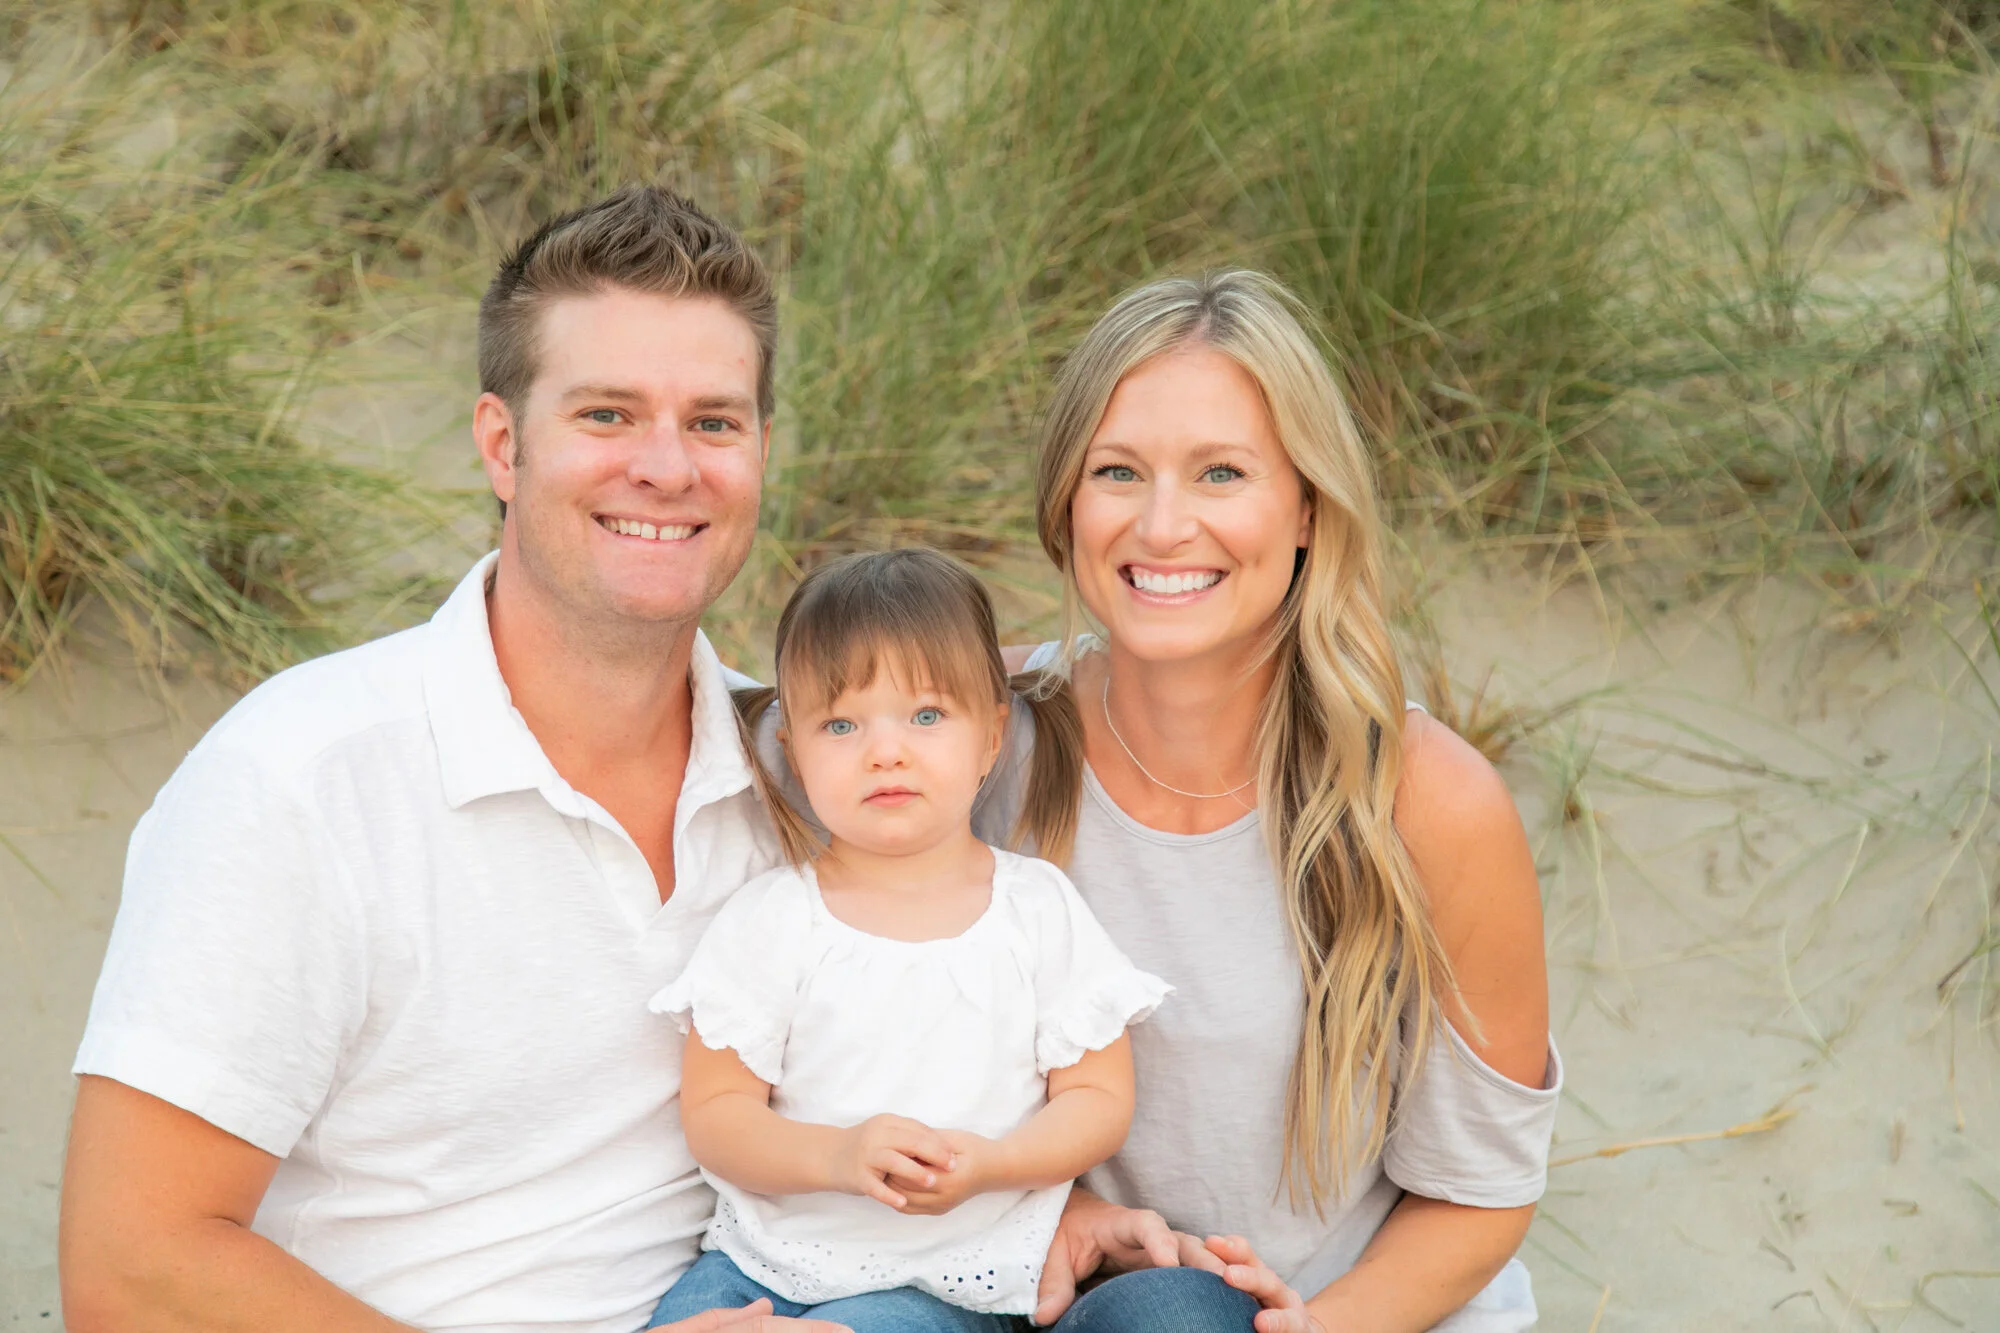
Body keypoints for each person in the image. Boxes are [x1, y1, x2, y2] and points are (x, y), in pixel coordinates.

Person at [57, 185, 849, 1333]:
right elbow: (129, 1272)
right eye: (608, 414)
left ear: (761, 451)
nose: (667, 467)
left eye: (714, 423)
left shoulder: (802, 775)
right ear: (501, 445)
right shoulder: (302, 781)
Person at [986, 271, 1562, 1332]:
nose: (1163, 525)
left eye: (1221, 473)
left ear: (1305, 506)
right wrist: (1051, 1208)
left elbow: (1477, 1192)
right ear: (1067, 502)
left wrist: (1316, 1326)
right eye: (1117, 471)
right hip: (1060, 1304)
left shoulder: (1426, 800)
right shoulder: (975, 739)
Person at [648, 549, 1168, 1332]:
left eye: (926, 715)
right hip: (763, 1263)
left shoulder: (1036, 909)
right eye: (841, 724)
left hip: (953, 1274)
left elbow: (1096, 1097)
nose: (885, 750)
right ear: (794, 752)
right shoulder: (770, 919)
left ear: (991, 736)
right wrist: (835, 1155)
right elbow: (719, 1113)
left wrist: (994, 1163)